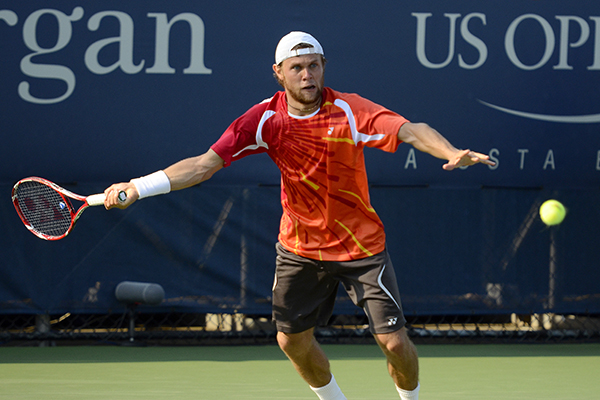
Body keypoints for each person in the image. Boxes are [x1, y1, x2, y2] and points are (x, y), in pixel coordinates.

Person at [103, 31, 495, 400]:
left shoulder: (349, 110)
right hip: (300, 250)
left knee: (393, 342)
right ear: (278, 74)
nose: (307, 75)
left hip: (361, 249)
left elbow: (409, 130)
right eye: (296, 68)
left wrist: (449, 152)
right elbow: (203, 165)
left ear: (324, 65)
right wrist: (138, 187)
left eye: (314, 65)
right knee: (291, 342)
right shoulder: (264, 120)